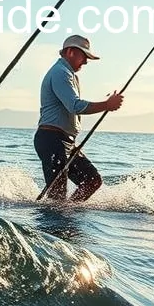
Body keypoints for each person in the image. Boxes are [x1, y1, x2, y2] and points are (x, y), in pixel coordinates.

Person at [35, 35, 124, 202]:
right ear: (70, 52)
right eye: (84, 56)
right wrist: (107, 105)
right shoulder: (60, 73)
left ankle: (68, 213)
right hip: (52, 140)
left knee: (92, 181)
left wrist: (107, 104)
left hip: (65, 142)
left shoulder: (67, 73)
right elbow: (75, 106)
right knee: (57, 198)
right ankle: (57, 222)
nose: (85, 62)